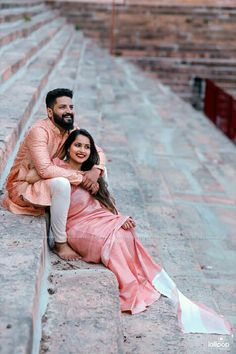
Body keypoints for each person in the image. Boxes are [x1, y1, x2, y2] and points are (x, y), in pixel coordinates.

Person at [52, 128, 232, 334]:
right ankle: (128, 287)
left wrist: (116, 217)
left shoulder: (94, 173)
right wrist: (78, 175)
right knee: (116, 239)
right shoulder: (58, 168)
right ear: (68, 147)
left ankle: (133, 281)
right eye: (77, 145)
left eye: (86, 147)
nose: (82, 150)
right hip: (76, 227)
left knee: (125, 233)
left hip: (96, 220)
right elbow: (41, 172)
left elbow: (101, 204)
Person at [1, 88, 105, 261]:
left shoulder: (69, 129)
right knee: (62, 184)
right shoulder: (39, 131)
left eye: (71, 107)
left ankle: (102, 217)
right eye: (62, 107)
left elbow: (97, 150)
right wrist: (81, 178)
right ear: (50, 112)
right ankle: (59, 242)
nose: (69, 111)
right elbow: (45, 170)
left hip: (45, 178)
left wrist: (95, 171)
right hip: (23, 185)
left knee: (98, 167)